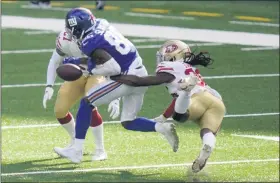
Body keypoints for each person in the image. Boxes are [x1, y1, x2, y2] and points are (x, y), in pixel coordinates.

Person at [54, 7, 179, 163]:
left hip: (127, 78)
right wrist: (80, 62)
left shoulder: (89, 42)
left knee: (86, 103)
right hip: (139, 70)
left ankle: (77, 151)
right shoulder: (101, 24)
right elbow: (105, 57)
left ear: (79, 28)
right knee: (128, 121)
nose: (72, 34)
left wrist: (86, 69)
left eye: (73, 30)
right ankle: (162, 128)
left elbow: (113, 68)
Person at [111, 40, 226, 173]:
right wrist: (164, 116)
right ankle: (207, 147)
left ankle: (186, 92)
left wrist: (118, 77)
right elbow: (175, 101)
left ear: (173, 56)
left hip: (196, 98)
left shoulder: (169, 67)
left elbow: (144, 81)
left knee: (180, 116)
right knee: (207, 132)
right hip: (216, 101)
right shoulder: (189, 67)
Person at [43, 25, 121, 161]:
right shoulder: (65, 39)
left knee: (89, 105)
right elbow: (54, 61)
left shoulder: (99, 38)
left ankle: (100, 150)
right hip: (78, 73)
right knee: (60, 110)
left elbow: (115, 66)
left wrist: (116, 97)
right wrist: (49, 86)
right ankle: (75, 144)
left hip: (98, 73)